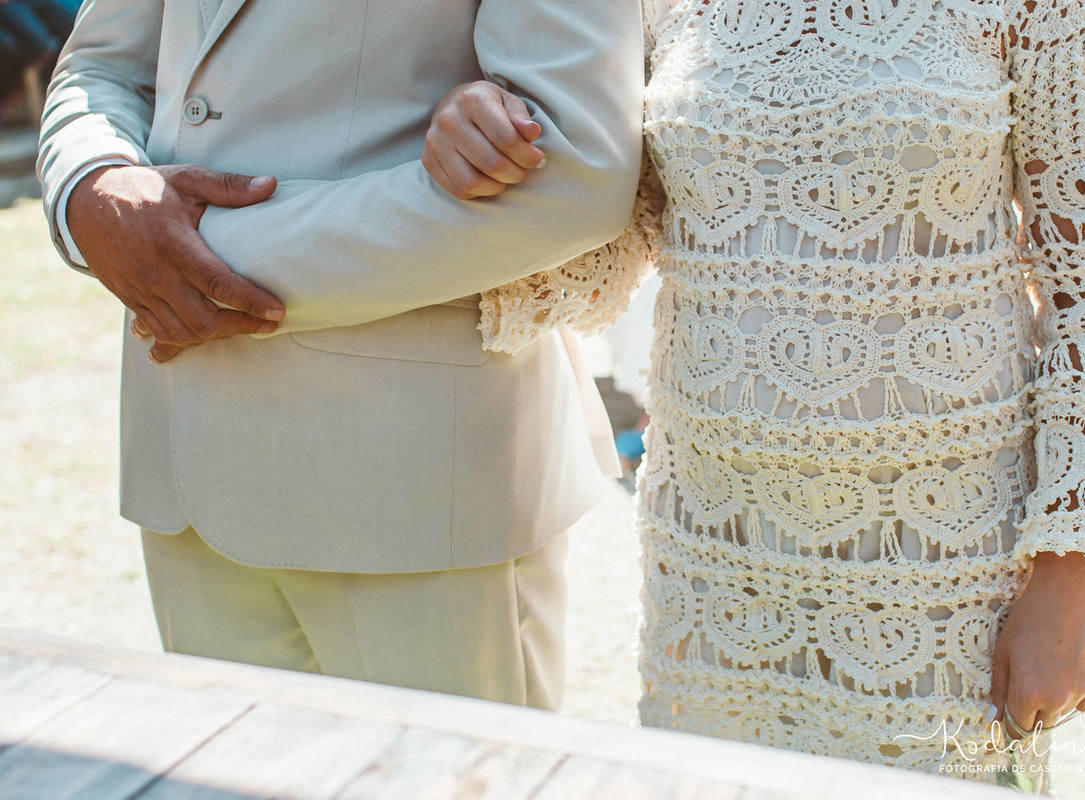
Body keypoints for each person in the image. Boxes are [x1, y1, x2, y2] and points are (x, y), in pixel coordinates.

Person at [424, 0, 1085, 786]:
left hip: (935, 558)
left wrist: (1074, 574)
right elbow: (613, 227)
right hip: (717, 547)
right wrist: (487, 134)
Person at [36, 0, 643, 710]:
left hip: (416, 492)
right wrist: (91, 184)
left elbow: (572, 164)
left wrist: (188, 259)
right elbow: (103, 65)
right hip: (182, 460)